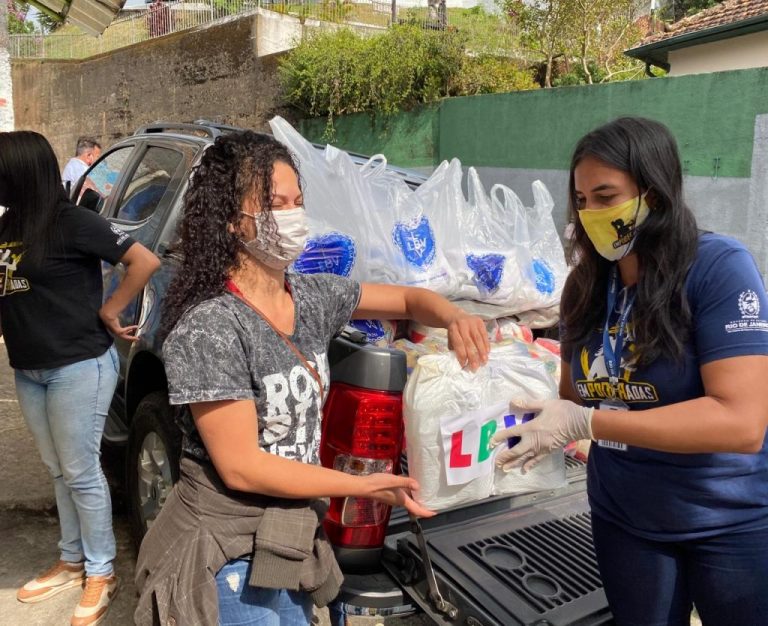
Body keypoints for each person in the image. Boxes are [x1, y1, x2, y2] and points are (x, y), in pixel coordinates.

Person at [134, 130, 490, 626]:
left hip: (290, 535)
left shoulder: (311, 297)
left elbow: (409, 300)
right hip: (227, 548)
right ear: (233, 221)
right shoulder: (211, 324)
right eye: (275, 203)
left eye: (298, 201)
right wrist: (361, 485)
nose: (292, 216)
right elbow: (241, 467)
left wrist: (453, 316)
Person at [491, 117, 768, 625]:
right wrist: (526, 415)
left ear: (655, 194)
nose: (590, 213)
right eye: (581, 199)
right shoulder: (586, 289)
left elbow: (742, 423)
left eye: (606, 196)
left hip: (726, 520)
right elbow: (574, 402)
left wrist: (588, 424)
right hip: (625, 518)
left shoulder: (719, 268)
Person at [0, 131, 160, 626]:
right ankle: (71, 559)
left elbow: (143, 260)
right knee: (57, 468)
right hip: (30, 368)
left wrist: (111, 309)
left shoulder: (73, 223)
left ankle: (101, 570)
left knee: (81, 470)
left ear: (20, 174)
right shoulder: (8, 225)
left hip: (78, 366)